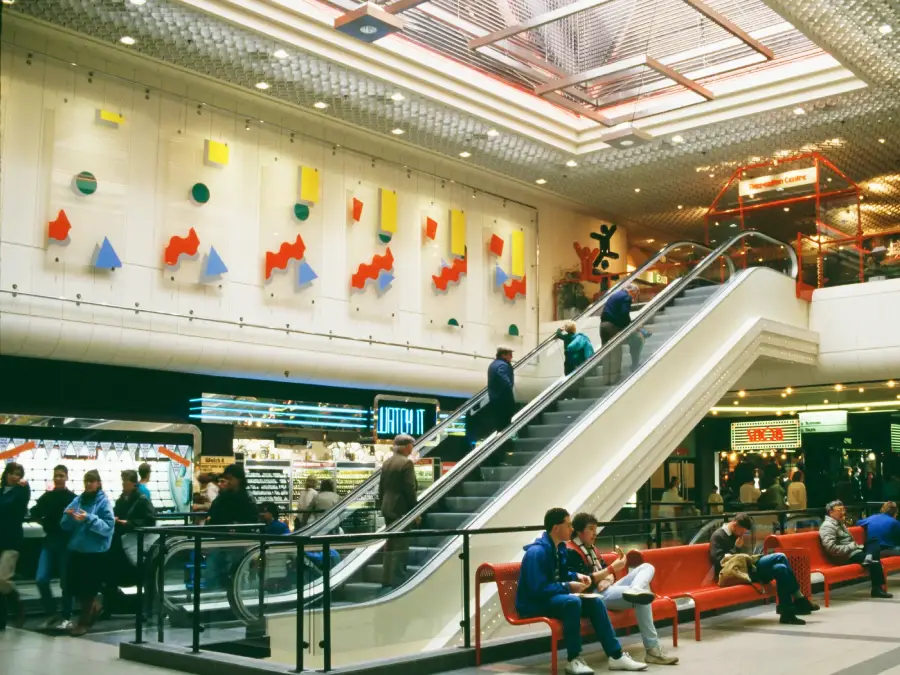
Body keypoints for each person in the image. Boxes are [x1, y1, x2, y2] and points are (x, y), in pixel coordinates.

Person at [516, 508, 647, 673]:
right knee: (572, 601)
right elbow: (538, 589)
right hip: (535, 603)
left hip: (553, 597)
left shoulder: (559, 548)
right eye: (569, 525)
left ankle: (616, 656)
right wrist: (568, 586)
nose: (572, 529)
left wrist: (577, 576)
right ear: (556, 528)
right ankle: (574, 659)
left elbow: (562, 574)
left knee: (595, 601)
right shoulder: (537, 552)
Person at [566, 513, 678, 666]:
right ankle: (653, 650)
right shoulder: (571, 551)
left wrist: (608, 577)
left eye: (595, 529)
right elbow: (585, 580)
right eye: (591, 529)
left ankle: (636, 589)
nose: (595, 533)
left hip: (606, 589)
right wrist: (609, 572)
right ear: (579, 531)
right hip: (594, 596)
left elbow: (608, 574)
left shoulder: (592, 549)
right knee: (642, 598)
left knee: (647, 567)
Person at [709, 512, 818, 625]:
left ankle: (787, 614)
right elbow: (718, 561)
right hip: (738, 573)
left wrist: (740, 550)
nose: (743, 533)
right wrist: (736, 548)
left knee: (780, 568)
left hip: (748, 568)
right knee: (780, 556)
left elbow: (745, 556)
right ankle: (799, 598)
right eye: (742, 530)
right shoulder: (718, 536)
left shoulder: (737, 536)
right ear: (735, 524)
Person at [61, 469, 115, 636]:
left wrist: (89, 518)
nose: (89, 484)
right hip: (77, 549)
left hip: (94, 553)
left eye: (92, 481)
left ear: (98, 483)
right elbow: (64, 524)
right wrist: (69, 517)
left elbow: (107, 528)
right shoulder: (78, 500)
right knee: (72, 586)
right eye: (86, 481)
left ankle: (83, 622)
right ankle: (95, 607)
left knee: (88, 588)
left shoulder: (104, 502)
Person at [30, 464, 76, 629]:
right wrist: (44, 522)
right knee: (41, 579)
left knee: (66, 582)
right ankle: (52, 613)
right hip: (50, 541)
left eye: (61, 476)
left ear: (66, 477)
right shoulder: (47, 497)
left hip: (66, 543)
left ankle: (66, 615)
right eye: (56, 475)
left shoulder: (73, 498)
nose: (58, 478)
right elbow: (34, 512)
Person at [107, 469, 156, 616]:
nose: (123, 484)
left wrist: (129, 523)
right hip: (122, 542)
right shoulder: (122, 499)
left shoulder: (141, 499)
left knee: (142, 574)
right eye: (123, 481)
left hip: (136, 542)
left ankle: (146, 609)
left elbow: (150, 520)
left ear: (133, 483)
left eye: (126, 481)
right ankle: (114, 606)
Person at [819, 500, 891, 598]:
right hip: (844, 556)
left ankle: (868, 558)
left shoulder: (840, 523)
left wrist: (856, 546)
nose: (843, 512)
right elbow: (832, 549)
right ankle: (876, 589)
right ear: (830, 512)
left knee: (873, 541)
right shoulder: (827, 526)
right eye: (839, 510)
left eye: (843, 509)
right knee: (875, 560)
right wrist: (852, 546)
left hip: (853, 552)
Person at [379, 434, 419, 589]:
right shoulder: (406, 464)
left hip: (387, 507)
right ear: (406, 446)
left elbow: (381, 487)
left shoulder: (387, 463)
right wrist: (415, 512)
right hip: (400, 510)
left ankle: (386, 578)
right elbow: (409, 489)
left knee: (389, 545)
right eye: (411, 446)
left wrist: (382, 503)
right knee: (401, 546)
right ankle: (398, 581)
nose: (412, 449)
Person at [0, 462, 30, 630]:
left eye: (17, 474)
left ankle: (17, 603)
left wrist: (22, 487)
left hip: (11, 540)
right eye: (11, 473)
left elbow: (15, 506)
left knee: (2, 579)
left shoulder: (21, 490)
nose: (14, 476)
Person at [599, 284, 638, 386]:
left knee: (606, 354)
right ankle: (614, 379)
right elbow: (624, 313)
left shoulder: (614, 295)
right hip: (613, 326)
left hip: (603, 326)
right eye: (635, 294)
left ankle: (606, 380)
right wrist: (629, 326)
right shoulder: (626, 297)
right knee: (616, 352)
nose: (634, 297)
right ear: (632, 291)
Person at [486, 346, 517, 434]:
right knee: (505, 427)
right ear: (503, 355)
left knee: (500, 427)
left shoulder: (493, 364)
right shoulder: (502, 365)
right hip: (503, 402)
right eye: (510, 354)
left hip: (495, 401)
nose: (512, 357)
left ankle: (501, 445)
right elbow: (505, 383)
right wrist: (511, 402)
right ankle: (505, 446)